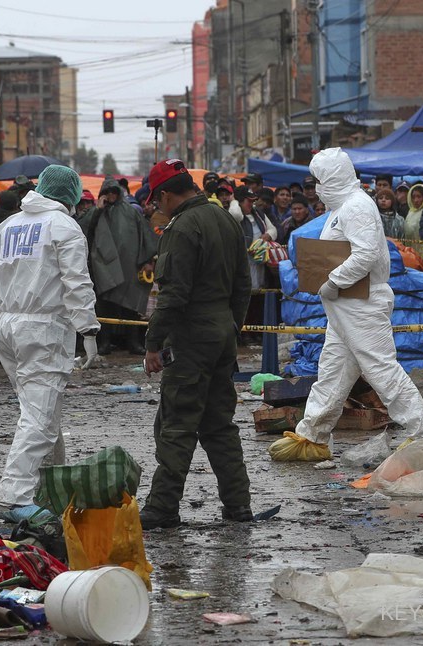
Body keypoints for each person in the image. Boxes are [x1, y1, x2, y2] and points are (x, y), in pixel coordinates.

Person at [269, 149, 423, 461]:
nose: (317, 188)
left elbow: (366, 255)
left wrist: (333, 281)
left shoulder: (356, 207)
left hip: (361, 302)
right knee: (333, 370)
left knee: (380, 368)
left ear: (333, 178)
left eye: (320, 180)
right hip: (346, 303)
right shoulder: (342, 207)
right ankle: (312, 435)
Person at [139, 159, 252, 529]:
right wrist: (233, 327)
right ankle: (238, 506)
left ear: (168, 194)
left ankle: (161, 508)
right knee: (220, 425)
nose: (156, 208)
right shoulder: (225, 220)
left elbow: (173, 295)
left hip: (191, 337)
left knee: (177, 424)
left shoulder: (182, 227)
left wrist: (153, 344)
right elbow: (242, 284)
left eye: (157, 201)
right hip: (222, 333)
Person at [0, 165, 101, 522]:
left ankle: (50, 485)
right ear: (69, 195)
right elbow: (77, 283)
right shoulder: (64, 227)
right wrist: (88, 330)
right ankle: (14, 496)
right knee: (38, 416)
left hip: (8, 324)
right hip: (44, 329)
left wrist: (8, 316)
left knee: (41, 411)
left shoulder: (7, 226)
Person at [79, 177, 157, 355]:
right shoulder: (95, 212)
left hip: (129, 267)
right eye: (108, 192)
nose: (111, 195)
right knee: (105, 307)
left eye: (114, 192)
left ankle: (133, 342)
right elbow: (84, 231)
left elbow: (146, 236)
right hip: (104, 269)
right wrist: (98, 210)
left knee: (131, 307)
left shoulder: (131, 212)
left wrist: (147, 261)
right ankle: (105, 342)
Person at [403, 183, 423, 259]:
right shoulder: (410, 212)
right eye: (413, 197)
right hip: (410, 250)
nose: (415, 200)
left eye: (419, 197)